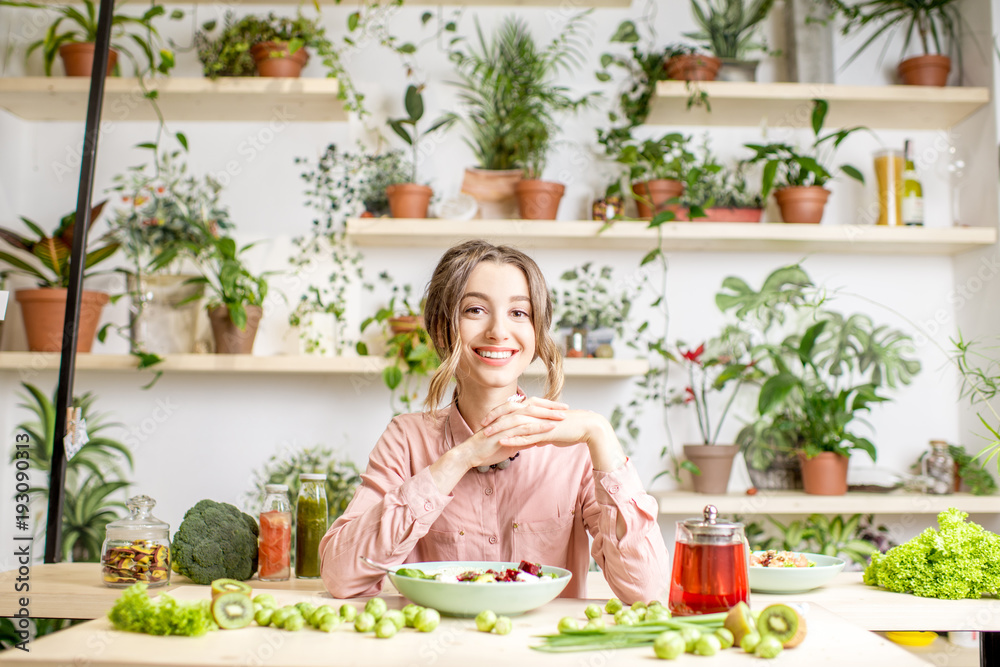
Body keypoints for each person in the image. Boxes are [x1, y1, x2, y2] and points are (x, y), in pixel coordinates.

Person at [319, 240, 669, 602]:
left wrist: (601, 433)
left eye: (519, 313)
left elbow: (645, 590)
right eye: (475, 310)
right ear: (442, 329)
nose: (499, 331)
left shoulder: (576, 448)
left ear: (536, 333)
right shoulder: (406, 439)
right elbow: (340, 577)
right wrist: (459, 458)